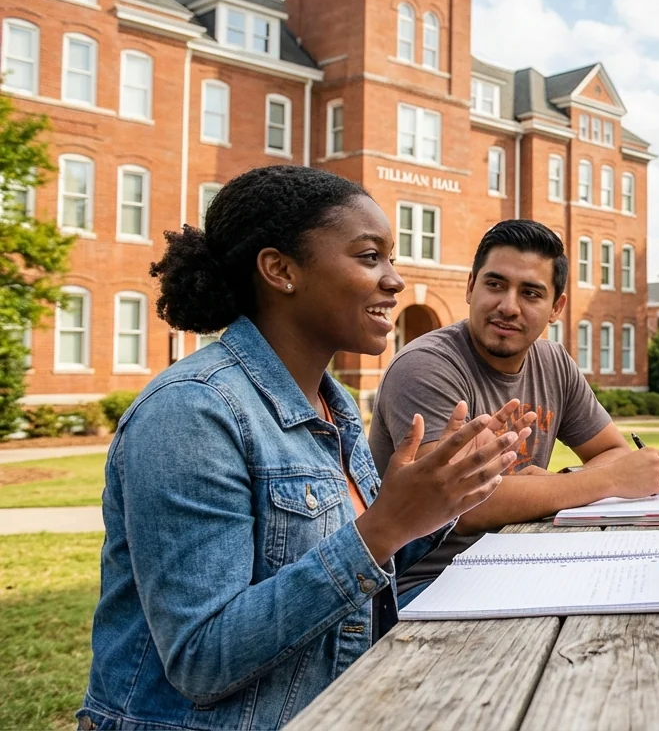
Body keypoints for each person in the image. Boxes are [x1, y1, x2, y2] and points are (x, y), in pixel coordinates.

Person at [78, 166, 534, 729]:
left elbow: (364, 563)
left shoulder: (332, 403)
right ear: (281, 270)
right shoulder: (193, 412)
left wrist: (453, 491)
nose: (394, 281)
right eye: (370, 257)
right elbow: (201, 659)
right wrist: (386, 525)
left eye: (390, 259)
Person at [369, 219, 659, 600]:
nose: (508, 306)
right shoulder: (426, 366)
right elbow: (460, 506)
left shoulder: (553, 362)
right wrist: (608, 480)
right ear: (470, 287)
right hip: (429, 582)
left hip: (524, 558)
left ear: (555, 308)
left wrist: (554, 481)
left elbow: (610, 450)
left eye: (530, 293)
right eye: (495, 285)